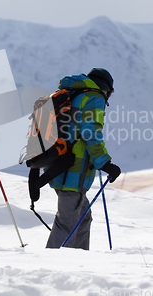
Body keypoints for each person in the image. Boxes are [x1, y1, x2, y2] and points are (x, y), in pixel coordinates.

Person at [46, 68, 121, 250]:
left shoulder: (71, 93)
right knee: (67, 223)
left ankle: (79, 261)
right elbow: (90, 132)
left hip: (56, 165)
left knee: (82, 218)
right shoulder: (94, 98)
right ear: (107, 89)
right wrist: (104, 163)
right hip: (74, 169)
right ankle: (52, 267)